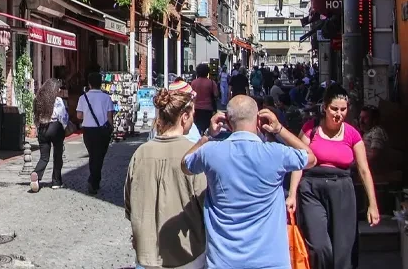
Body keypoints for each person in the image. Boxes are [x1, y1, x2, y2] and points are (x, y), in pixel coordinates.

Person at [182, 95, 316, 268]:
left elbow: (185, 164)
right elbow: (311, 158)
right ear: (259, 120)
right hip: (270, 261)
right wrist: (279, 129)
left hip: (223, 261)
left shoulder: (211, 152)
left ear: (228, 123)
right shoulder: (276, 153)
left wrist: (208, 134)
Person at [289, 85, 380, 269]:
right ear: (325, 107)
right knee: (320, 246)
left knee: (343, 250)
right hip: (312, 189)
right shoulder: (310, 130)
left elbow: (364, 170)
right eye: (334, 109)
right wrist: (292, 194)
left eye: (343, 109)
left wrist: (373, 204)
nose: (338, 114)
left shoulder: (352, 134)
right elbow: (299, 162)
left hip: (342, 190)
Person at [126, 88, 207, 269]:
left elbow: (129, 202)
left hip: (148, 252)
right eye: (192, 114)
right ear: (184, 117)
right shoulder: (194, 154)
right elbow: (205, 203)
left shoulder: (141, 153)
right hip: (187, 252)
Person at [75, 71, 115, 195]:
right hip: (102, 131)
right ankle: (93, 181)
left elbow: (79, 116)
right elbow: (110, 117)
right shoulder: (106, 97)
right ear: (101, 84)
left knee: (93, 155)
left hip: (88, 131)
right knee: (99, 157)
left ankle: (94, 181)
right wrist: (110, 130)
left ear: (89, 84)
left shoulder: (83, 97)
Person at [30, 80, 68, 192]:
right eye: (58, 88)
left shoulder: (38, 100)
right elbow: (63, 116)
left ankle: (36, 174)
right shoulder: (58, 101)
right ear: (53, 90)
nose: (59, 90)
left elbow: (35, 117)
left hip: (42, 128)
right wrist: (64, 128)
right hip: (55, 127)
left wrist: (38, 128)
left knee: (44, 157)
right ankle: (56, 181)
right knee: (57, 155)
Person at [189, 64, 220, 135]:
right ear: (207, 72)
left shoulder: (194, 82)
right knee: (206, 127)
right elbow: (216, 94)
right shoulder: (211, 83)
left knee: (198, 127)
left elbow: (190, 95)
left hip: (196, 108)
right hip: (208, 108)